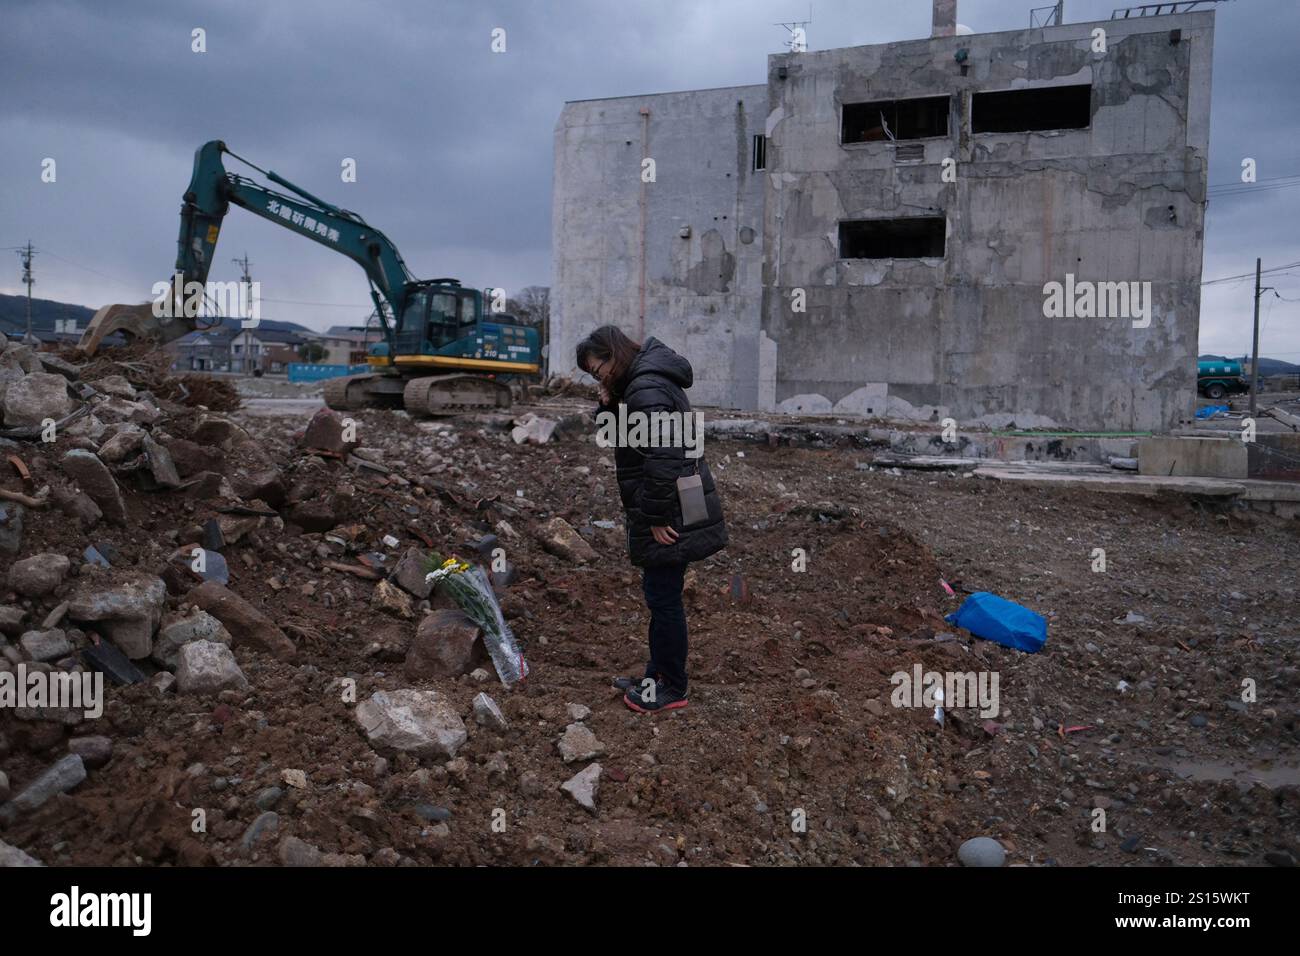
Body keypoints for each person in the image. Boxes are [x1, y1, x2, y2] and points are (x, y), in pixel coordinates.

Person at [576, 325, 727, 713]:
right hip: (671, 499)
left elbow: (664, 454)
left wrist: (657, 517)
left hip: (668, 506)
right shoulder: (641, 384)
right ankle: (656, 674)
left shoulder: (646, 387)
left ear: (613, 355)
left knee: (664, 598)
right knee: (660, 595)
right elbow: (619, 439)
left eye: (599, 371)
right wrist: (608, 404)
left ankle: (673, 687)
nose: (600, 378)